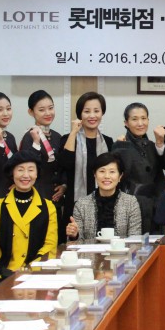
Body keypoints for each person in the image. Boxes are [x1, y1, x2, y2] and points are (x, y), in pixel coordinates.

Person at [0, 150, 58, 286]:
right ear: (12, 173)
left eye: (31, 170)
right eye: (20, 170)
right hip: (1, 273)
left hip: (35, 274)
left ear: (37, 174)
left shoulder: (48, 207)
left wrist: (28, 270)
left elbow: (49, 247)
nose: (26, 175)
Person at [59, 92, 114, 238]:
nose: (92, 116)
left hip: (103, 203)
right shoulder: (68, 139)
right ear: (80, 114)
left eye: (96, 111)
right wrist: (73, 133)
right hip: (75, 202)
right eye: (87, 111)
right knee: (74, 243)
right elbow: (66, 164)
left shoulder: (108, 142)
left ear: (102, 113)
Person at [20, 90, 65, 241]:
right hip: (37, 197)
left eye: (51, 108)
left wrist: (64, 186)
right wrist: (36, 143)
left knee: (56, 241)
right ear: (31, 112)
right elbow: (28, 167)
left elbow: (62, 167)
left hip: (55, 198)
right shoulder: (29, 137)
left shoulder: (57, 136)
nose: (48, 113)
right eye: (41, 109)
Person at [65, 152, 142, 240]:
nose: (107, 176)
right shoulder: (81, 204)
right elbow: (77, 242)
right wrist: (74, 235)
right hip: (91, 249)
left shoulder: (131, 203)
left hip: (121, 249)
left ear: (120, 176)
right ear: (95, 174)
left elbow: (135, 239)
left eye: (112, 172)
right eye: (102, 171)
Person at [112, 102, 164, 199]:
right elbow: (117, 179)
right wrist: (123, 147)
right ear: (126, 123)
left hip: (155, 202)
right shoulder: (120, 146)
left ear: (148, 120)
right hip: (130, 203)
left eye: (143, 118)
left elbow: (160, 178)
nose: (140, 123)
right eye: (134, 119)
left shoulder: (152, 145)